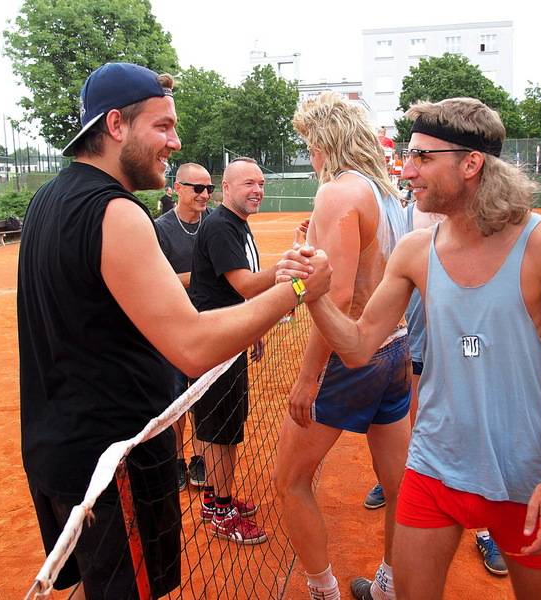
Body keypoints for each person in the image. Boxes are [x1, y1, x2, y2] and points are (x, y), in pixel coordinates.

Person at [18, 62, 330, 600]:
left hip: (64, 453)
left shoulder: (49, 198)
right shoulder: (116, 212)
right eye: (162, 126)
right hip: (114, 465)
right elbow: (192, 346)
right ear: (116, 125)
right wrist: (298, 290)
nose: (176, 140)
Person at [296, 97, 541, 600]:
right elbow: (356, 346)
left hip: (524, 478)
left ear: (471, 163)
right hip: (432, 468)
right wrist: (311, 291)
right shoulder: (416, 251)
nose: (406, 170)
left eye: (422, 158)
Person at [273, 92, 409, 600]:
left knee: (289, 480)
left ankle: (323, 591)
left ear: (326, 141)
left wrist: (309, 376)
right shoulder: (386, 193)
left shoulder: (338, 193)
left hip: (351, 357)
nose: (309, 156)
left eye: (310, 144)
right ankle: (390, 587)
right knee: (398, 487)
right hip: (394, 349)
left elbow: (338, 295)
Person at [188, 156, 280, 545]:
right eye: (248, 184)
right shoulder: (222, 226)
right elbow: (246, 285)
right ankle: (220, 509)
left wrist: (251, 324)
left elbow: (238, 293)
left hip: (229, 336)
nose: (257, 189)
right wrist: (288, 267)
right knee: (220, 429)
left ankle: (215, 500)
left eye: (260, 183)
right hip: (215, 342)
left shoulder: (235, 225)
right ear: (226, 188)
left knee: (225, 426)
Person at [154, 163, 215, 491]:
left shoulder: (215, 224)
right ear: (177, 187)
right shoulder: (160, 229)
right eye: (197, 188)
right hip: (173, 330)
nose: (205, 195)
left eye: (209, 189)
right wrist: (203, 276)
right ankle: (177, 461)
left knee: (204, 398)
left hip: (209, 326)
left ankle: (201, 459)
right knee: (177, 400)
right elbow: (158, 283)